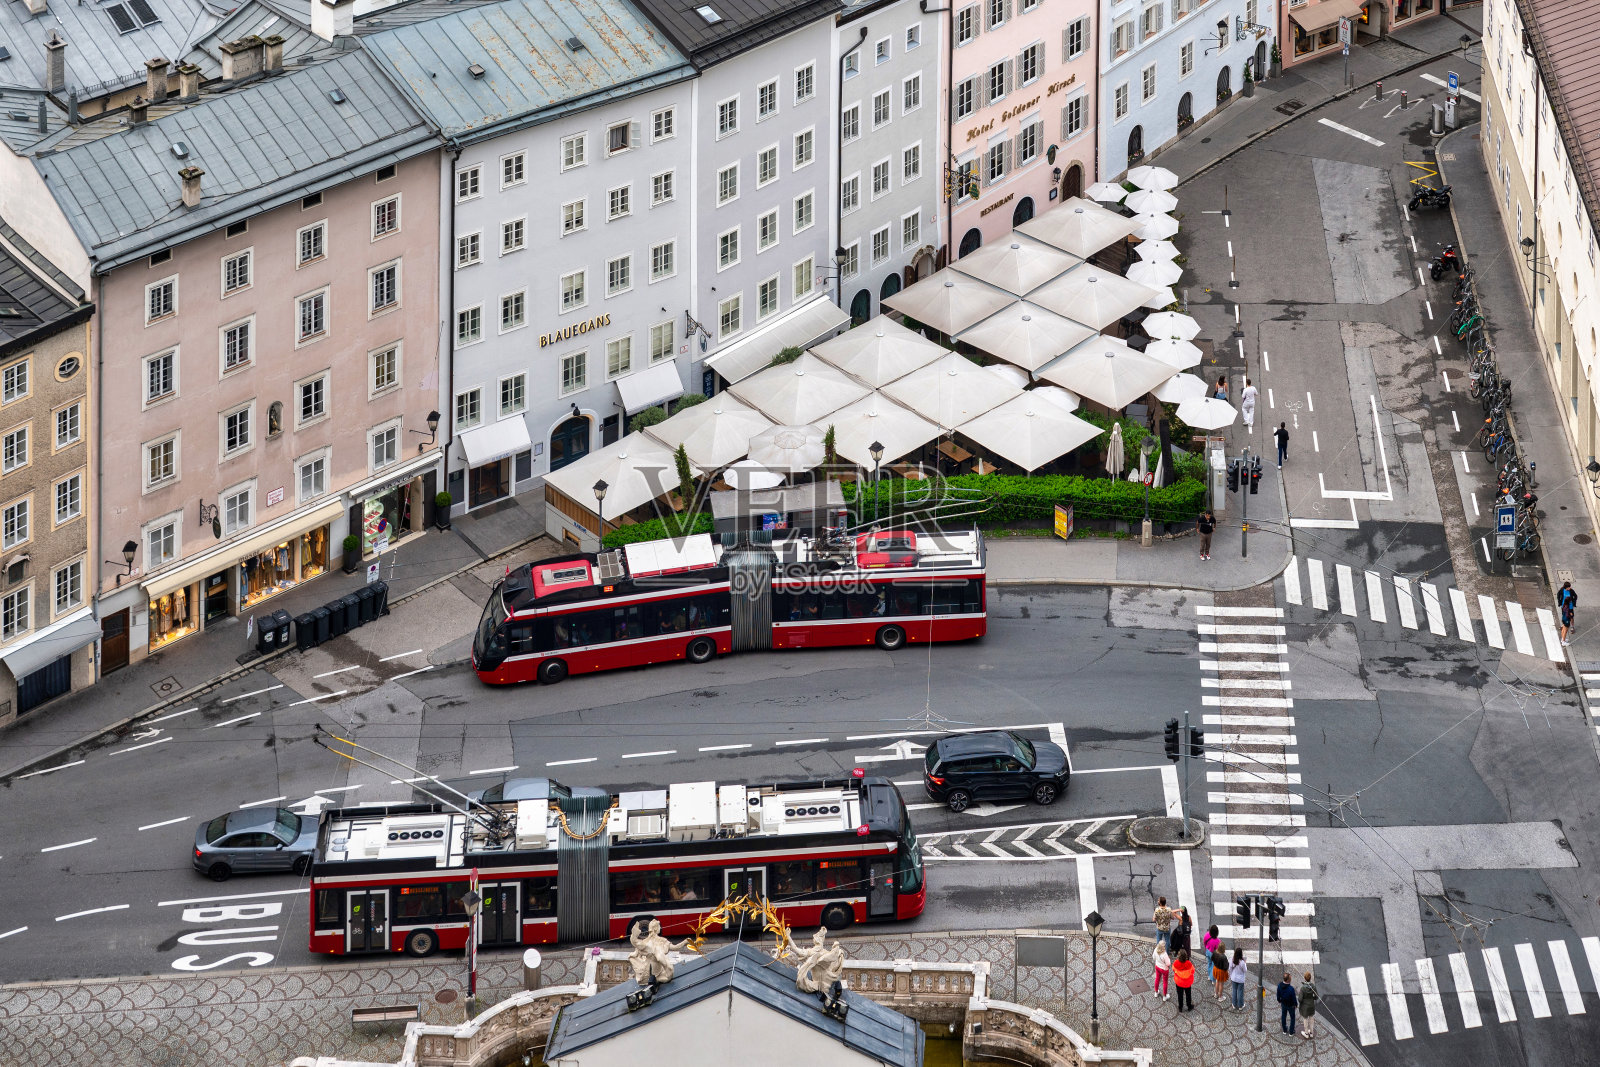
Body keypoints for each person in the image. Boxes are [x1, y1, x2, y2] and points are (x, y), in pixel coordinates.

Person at [1299, 971, 1318, 1038]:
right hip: (1311, 1005)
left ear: (1304, 978)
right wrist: (1312, 998)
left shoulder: (1303, 988)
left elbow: (1300, 999)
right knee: (1311, 1019)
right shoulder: (1313, 986)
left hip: (1305, 1006)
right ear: (1310, 978)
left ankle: (1306, 1033)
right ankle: (1312, 1033)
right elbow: (1316, 996)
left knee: (1305, 1019)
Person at [1559, 581, 1578, 646]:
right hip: (1566, 619)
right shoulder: (1567, 608)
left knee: (1563, 628)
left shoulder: (1564, 606)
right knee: (1566, 629)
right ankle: (1563, 641)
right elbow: (1568, 614)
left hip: (1563, 618)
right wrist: (1570, 614)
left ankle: (1562, 639)